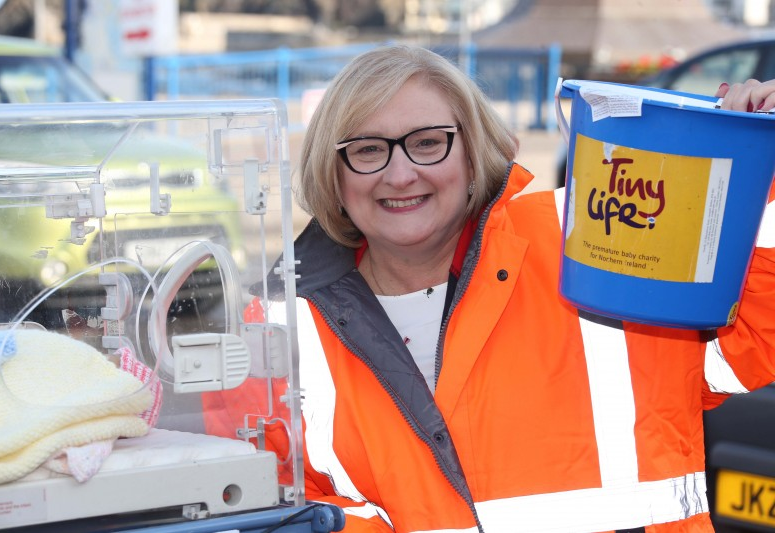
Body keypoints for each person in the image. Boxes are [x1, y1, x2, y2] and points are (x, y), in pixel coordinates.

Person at [210, 44, 775, 532]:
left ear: (475, 154)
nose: (400, 173)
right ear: (333, 176)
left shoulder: (590, 241)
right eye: (366, 150)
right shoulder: (280, 330)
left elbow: (758, 338)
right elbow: (270, 506)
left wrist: (762, 167)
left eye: (428, 142)